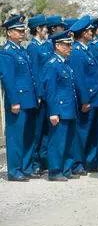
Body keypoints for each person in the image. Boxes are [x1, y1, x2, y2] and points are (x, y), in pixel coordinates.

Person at [1, 14, 39, 181]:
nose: (22, 33)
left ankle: (26, 166)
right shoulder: (7, 52)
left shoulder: (22, 50)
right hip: (18, 100)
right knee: (16, 136)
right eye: (18, 30)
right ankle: (15, 170)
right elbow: (8, 80)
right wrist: (14, 101)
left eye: (23, 30)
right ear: (9, 32)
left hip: (29, 99)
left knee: (29, 134)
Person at [41, 30, 79, 181]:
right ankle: (55, 170)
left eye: (70, 44)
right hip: (60, 109)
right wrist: (53, 112)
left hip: (69, 108)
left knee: (69, 140)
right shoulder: (52, 65)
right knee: (57, 141)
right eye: (66, 45)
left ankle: (66, 168)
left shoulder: (64, 64)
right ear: (57, 46)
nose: (69, 47)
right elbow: (50, 91)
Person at [69, 15, 98, 174]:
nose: (92, 33)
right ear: (82, 33)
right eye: (89, 30)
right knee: (82, 132)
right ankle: (77, 163)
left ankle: (90, 160)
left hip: (95, 98)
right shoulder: (76, 52)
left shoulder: (86, 49)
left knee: (92, 131)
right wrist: (85, 99)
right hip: (87, 98)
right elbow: (79, 79)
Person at [26, 14, 50, 174]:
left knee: (46, 130)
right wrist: (39, 94)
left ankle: (43, 160)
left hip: (48, 93)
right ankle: (35, 163)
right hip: (40, 95)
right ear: (37, 29)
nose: (46, 30)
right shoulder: (33, 47)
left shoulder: (44, 46)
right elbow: (35, 73)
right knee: (37, 130)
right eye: (44, 28)